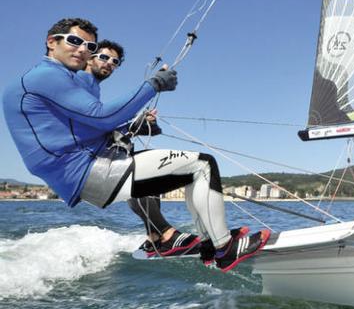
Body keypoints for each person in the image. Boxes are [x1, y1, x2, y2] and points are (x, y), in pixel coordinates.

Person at [2, 18, 268, 272]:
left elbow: (86, 128)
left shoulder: (54, 78)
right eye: (75, 41)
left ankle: (209, 241)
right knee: (203, 165)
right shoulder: (48, 76)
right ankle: (223, 248)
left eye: (90, 46)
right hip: (88, 172)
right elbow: (102, 116)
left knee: (189, 171)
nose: (83, 50)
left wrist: (134, 126)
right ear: (51, 42)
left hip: (84, 172)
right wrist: (153, 85)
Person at [79, 40, 203, 258]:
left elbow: (108, 123)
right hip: (90, 167)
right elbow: (99, 120)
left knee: (151, 178)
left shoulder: (92, 91)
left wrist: (142, 123)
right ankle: (167, 234)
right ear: (89, 57)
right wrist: (153, 86)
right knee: (143, 176)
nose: (109, 63)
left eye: (115, 61)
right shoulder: (78, 84)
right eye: (104, 57)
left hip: (104, 159)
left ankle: (154, 236)